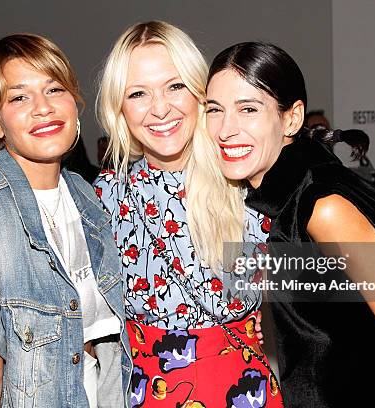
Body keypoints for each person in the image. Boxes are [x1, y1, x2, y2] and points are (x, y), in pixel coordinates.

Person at [195, 41, 375, 407]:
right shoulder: (287, 198)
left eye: (248, 109)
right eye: (215, 110)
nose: (225, 129)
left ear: (292, 118)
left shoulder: (323, 206)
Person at [0, 33, 130, 407]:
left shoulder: (83, 196)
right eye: (19, 97)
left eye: (54, 89)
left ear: (74, 101)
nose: (43, 108)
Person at [94, 21, 282, 407]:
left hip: (243, 390)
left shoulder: (246, 180)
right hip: (148, 394)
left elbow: (331, 275)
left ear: (201, 90)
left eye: (175, 86)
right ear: (120, 108)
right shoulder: (103, 198)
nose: (160, 108)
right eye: (138, 93)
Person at [305, 109, 375, 181]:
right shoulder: (301, 163)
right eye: (317, 130)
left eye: (326, 130)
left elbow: (369, 179)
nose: (323, 134)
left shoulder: (349, 152)